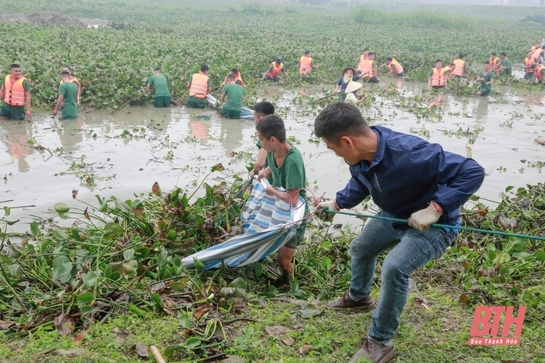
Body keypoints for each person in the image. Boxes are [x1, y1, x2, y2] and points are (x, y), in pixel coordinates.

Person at [313, 102, 485, 363]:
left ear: (347, 141)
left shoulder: (412, 153)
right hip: (394, 215)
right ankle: (358, 298)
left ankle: (381, 341)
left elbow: (472, 171)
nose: (333, 153)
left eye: (331, 147)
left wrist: (437, 207)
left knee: (394, 267)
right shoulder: (358, 156)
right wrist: (337, 203)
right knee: (361, 248)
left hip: (433, 225)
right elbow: (360, 183)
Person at [255, 115, 307, 287]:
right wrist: (267, 171)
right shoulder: (274, 151)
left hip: (294, 214)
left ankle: (288, 284)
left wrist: (272, 190)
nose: (261, 144)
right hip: (279, 206)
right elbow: (273, 163)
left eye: (261, 139)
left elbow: (293, 199)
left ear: (272, 139)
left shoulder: (292, 161)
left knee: (283, 259)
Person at [249, 101, 275, 177]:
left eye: (254, 119)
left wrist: (253, 172)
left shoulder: (265, 136)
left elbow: (260, 163)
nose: (254, 122)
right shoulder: (277, 130)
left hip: (271, 181)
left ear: (261, 119)